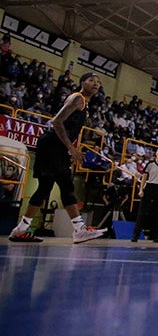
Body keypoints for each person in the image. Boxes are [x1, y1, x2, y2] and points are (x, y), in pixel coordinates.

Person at [7, 72, 107, 243]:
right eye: (91, 81)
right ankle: (79, 229)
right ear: (82, 83)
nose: (95, 84)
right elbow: (57, 121)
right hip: (53, 144)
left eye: (98, 82)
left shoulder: (84, 104)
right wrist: (70, 147)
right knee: (66, 184)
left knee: (45, 188)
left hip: (53, 145)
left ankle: (20, 229)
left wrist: (70, 148)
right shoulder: (78, 99)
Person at [131, 147, 158, 242]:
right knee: (142, 212)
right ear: (156, 153)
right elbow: (144, 177)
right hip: (149, 187)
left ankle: (156, 237)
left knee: (157, 213)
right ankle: (135, 236)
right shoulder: (150, 164)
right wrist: (141, 189)